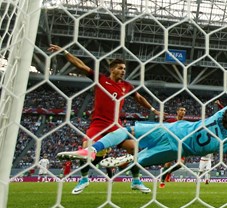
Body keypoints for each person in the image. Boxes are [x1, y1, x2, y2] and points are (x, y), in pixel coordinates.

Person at [56, 94, 227, 185]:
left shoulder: (219, 114)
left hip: (169, 131)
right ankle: (124, 162)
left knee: (126, 131)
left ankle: (95, 151)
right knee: (138, 163)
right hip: (174, 150)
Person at [49, 44, 160, 195]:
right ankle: (84, 179)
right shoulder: (100, 79)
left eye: (124, 69)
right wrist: (65, 52)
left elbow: (139, 97)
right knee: (86, 148)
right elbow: (80, 65)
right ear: (112, 69)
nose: (123, 71)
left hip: (116, 125)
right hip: (99, 123)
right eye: (120, 68)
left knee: (134, 147)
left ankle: (135, 180)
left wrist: (153, 110)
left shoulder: (126, 86)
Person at [159, 106, 186, 188]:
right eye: (181, 110)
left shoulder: (185, 123)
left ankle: (169, 172)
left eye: (184, 110)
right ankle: (162, 182)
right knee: (168, 163)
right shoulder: (171, 121)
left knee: (180, 164)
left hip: (180, 145)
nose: (183, 112)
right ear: (177, 111)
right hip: (171, 144)